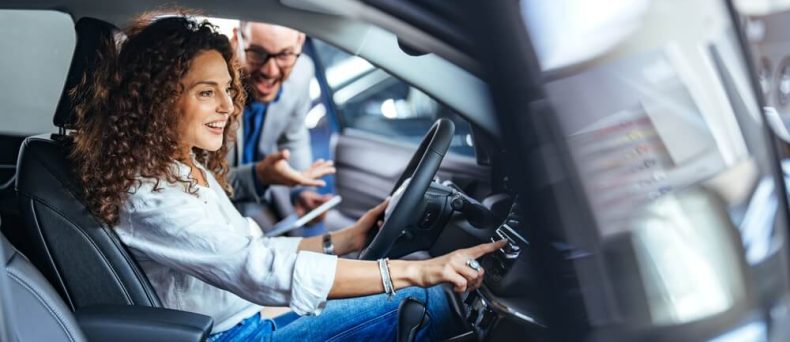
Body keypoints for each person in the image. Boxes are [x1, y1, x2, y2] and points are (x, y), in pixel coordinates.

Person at [69, 14, 506, 341]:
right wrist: (418, 273)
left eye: (226, 88)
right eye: (206, 92)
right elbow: (257, 268)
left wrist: (348, 238)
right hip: (234, 333)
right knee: (426, 299)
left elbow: (251, 248)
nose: (228, 105)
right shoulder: (150, 195)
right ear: (156, 100)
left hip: (250, 312)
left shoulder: (180, 165)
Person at [227, 20, 332, 235]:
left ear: (300, 42)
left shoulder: (302, 71)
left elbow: (293, 136)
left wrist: (302, 190)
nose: (270, 71)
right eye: (257, 53)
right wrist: (260, 177)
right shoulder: (212, 82)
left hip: (256, 199)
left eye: (284, 55)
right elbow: (201, 180)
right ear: (238, 39)